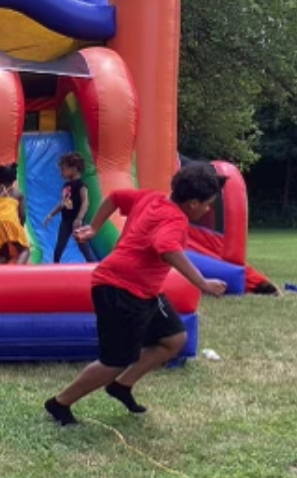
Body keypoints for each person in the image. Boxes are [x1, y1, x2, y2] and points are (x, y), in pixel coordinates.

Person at [43, 164, 229, 426]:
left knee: (173, 339)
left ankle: (122, 386)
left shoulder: (152, 198)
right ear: (193, 203)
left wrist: (95, 227)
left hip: (144, 290)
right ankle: (59, 403)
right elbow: (166, 248)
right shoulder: (175, 220)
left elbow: (115, 197)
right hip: (121, 289)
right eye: (207, 204)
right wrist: (202, 282)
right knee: (115, 361)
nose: (208, 209)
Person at [43, 152, 96, 263]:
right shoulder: (66, 186)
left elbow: (85, 202)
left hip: (76, 222)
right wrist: (51, 214)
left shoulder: (81, 185)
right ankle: (55, 267)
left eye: (63, 169)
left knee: (83, 246)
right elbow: (64, 203)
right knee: (59, 246)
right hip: (66, 221)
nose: (61, 172)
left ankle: (93, 266)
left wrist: (79, 218)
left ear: (74, 169)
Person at [0, 163, 30, 264]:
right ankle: (17, 272)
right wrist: (20, 227)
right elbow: (22, 215)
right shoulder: (18, 194)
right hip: (11, 221)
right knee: (24, 250)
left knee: (3, 255)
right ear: (14, 178)